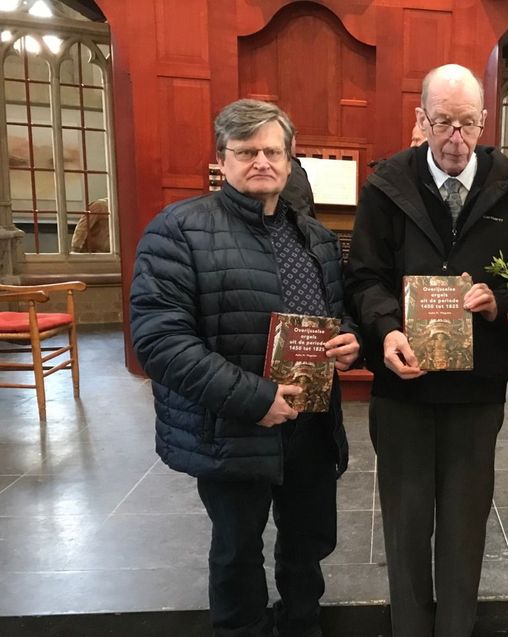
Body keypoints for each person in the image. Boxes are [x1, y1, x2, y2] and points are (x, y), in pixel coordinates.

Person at [130, 99, 360, 637]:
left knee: (306, 548)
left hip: (309, 426)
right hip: (232, 429)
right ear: (223, 160)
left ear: (289, 158)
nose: (261, 161)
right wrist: (255, 399)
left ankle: (303, 627)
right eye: (247, 151)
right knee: (236, 554)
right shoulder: (180, 230)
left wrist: (352, 343)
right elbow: (159, 341)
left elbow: (336, 315)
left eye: (272, 151)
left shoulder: (318, 238)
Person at [345, 63, 508, 637]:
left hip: (477, 390)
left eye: (467, 124)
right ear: (420, 120)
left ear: (484, 122)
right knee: (407, 527)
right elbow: (363, 277)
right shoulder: (387, 186)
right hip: (403, 385)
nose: (456, 139)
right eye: (442, 123)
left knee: (464, 525)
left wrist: (500, 301)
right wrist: (385, 329)